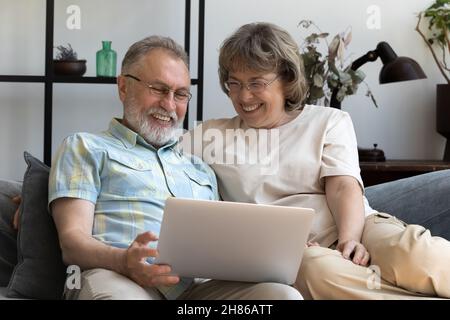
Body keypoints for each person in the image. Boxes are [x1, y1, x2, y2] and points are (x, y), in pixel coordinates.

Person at [180, 22, 450, 299]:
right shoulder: (210, 135)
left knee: (418, 255)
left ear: (286, 78)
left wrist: (350, 240)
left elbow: (343, 187)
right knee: (317, 270)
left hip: (357, 225)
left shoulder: (328, 120)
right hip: (293, 252)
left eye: (256, 83)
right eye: (234, 83)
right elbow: (155, 148)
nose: (243, 96)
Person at [48, 35, 303, 300]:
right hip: (117, 276)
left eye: (180, 94)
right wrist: (124, 261)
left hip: (194, 291)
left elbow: (223, 243)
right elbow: (72, 242)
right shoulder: (85, 147)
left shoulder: (199, 166)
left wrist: (279, 250)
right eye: (158, 89)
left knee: (283, 295)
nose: (169, 105)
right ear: (123, 87)